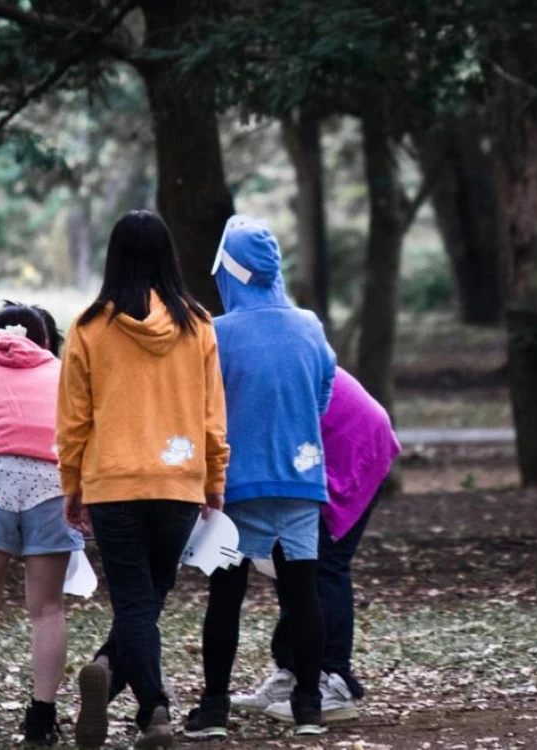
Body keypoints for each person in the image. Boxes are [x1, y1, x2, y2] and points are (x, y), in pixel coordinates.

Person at [56, 210, 229, 750]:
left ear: (113, 257)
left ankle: (128, 685)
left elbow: (74, 419)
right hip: (178, 483)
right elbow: (211, 414)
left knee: (136, 599)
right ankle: (148, 705)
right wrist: (214, 479)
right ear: (168, 256)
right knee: (148, 597)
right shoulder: (198, 324)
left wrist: (72, 484)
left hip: (113, 484)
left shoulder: (87, 327)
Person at [184, 215, 336, 739]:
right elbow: (324, 391)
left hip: (236, 484)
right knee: (302, 595)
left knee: (225, 598)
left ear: (228, 270)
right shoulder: (310, 324)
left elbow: (204, 407)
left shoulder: (216, 333)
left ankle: (214, 709)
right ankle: (309, 706)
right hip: (300, 480)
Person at [232, 367, 401, 724]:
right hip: (318, 450)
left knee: (323, 564)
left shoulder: (230, 351)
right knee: (291, 560)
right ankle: (295, 669)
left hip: (353, 445)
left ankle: (334, 681)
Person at [0, 305, 85, 747]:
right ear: (45, 340)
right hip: (51, 482)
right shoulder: (62, 372)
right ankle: (41, 719)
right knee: (48, 609)